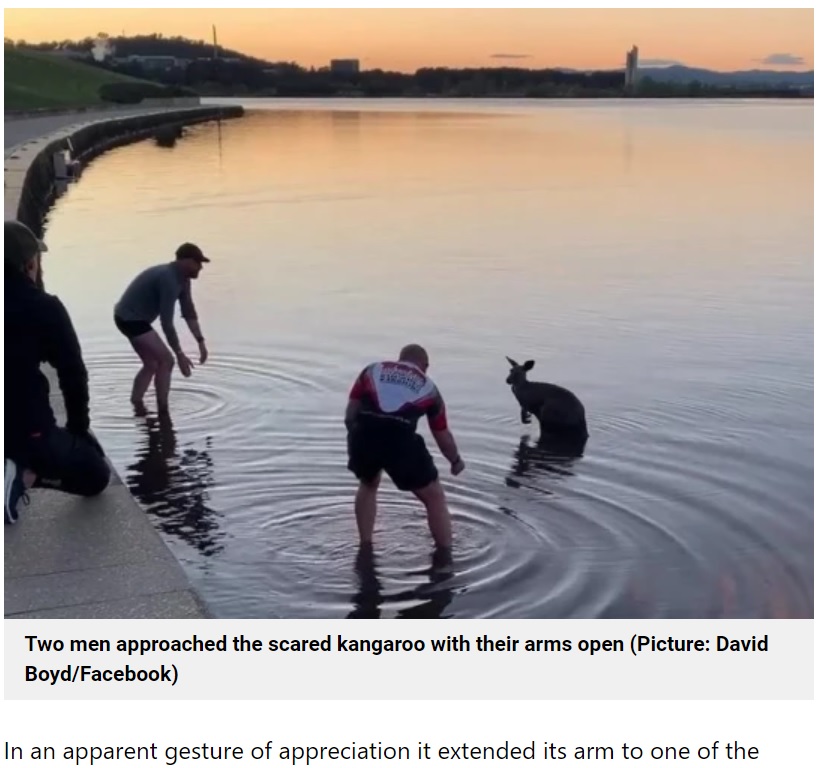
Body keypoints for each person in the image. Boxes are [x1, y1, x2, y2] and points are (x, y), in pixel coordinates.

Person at [4, 219, 111, 524]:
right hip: (25, 429)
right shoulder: (43, 307)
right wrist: (79, 429)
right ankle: (24, 475)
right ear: (28, 265)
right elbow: (73, 373)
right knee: (95, 476)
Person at [345, 343, 465, 550]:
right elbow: (441, 434)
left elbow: (350, 415)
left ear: (399, 359)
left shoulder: (371, 370)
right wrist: (455, 461)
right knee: (434, 497)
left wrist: (358, 438)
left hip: (363, 434)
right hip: (399, 442)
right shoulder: (429, 388)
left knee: (368, 483)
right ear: (425, 365)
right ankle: (445, 556)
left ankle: (365, 545)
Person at [113, 243, 210, 414]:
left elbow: (189, 312)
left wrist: (200, 342)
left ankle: (137, 405)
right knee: (168, 360)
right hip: (130, 319)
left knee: (151, 364)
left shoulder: (183, 279)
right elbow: (166, 322)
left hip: (129, 318)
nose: (200, 267)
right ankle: (163, 411)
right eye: (198, 262)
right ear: (186, 261)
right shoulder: (168, 279)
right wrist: (179, 353)